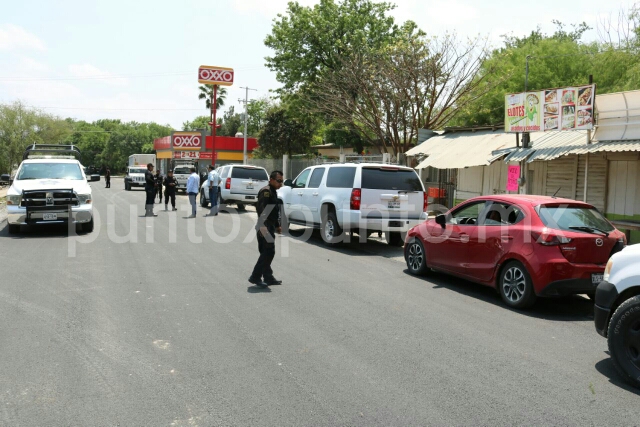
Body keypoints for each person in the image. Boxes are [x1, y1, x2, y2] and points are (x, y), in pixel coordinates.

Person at [249, 170, 284, 287]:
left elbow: (274, 211)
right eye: (279, 181)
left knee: (267, 252)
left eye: (282, 181)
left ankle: (268, 277)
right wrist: (263, 227)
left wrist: (278, 225)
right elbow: (261, 210)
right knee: (268, 252)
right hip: (264, 226)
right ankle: (255, 276)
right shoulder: (266, 192)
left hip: (270, 225)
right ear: (271, 180)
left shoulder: (273, 192)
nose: (281, 184)